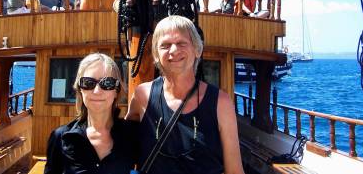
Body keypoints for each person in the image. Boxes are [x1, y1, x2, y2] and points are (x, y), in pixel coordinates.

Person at [126, 16, 244, 174]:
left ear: (197, 50)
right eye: (165, 45)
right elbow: (124, 146)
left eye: (182, 43)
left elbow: (234, 170)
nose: (174, 50)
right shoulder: (142, 95)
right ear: (156, 55)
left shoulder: (221, 103)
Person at [45, 53, 138, 174]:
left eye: (107, 83)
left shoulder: (133, 134)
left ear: (116, 91)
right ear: (80, 90)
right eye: (88, 83)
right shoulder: (61, 137)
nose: (97, 91)